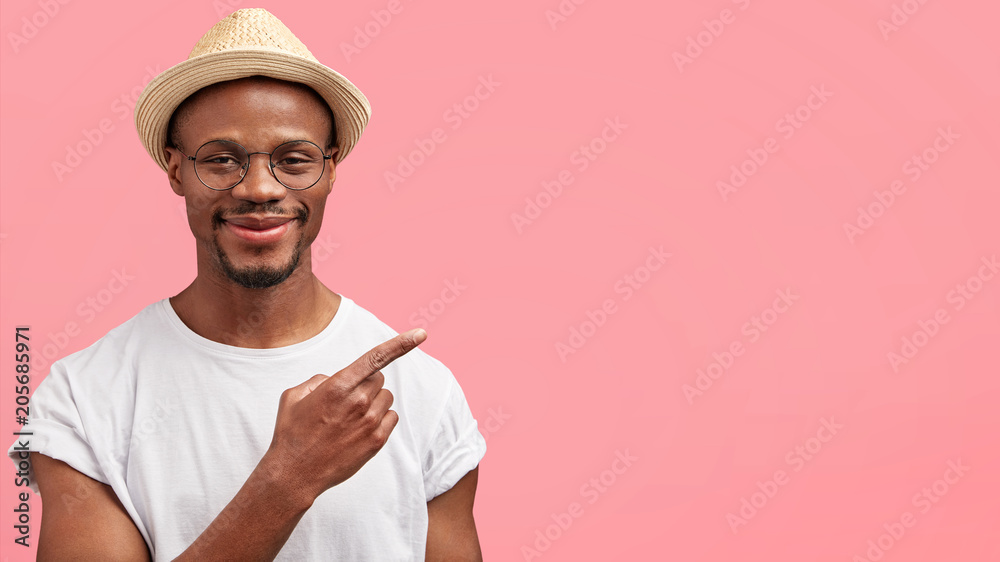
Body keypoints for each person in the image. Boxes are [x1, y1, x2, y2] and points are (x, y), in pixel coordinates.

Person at [8, 8, 486, 561]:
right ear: (175, 170)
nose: (260, 188)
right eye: (221, 159)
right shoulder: (83, 400)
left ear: (331, 169)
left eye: (294, 160)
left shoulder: (422, 391)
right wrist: (287, 480)